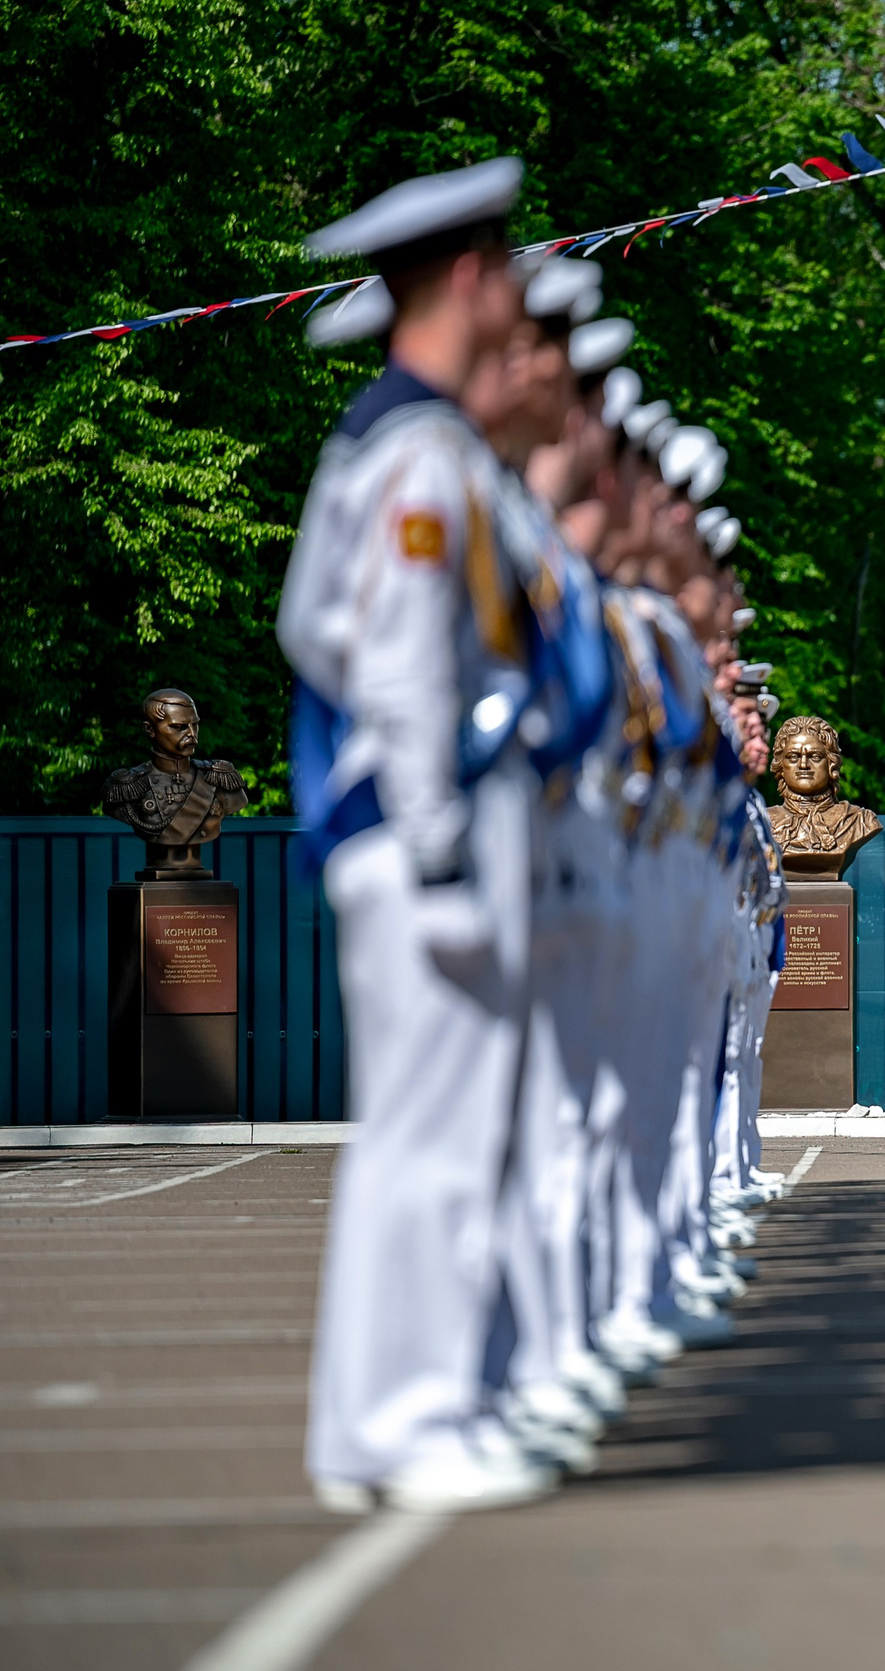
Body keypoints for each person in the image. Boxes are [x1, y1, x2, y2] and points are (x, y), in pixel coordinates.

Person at [280, 159, 561, 1513]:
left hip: (424, 821)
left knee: (427, 1135)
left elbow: (332, 630)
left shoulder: (414, 441)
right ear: (465, 279)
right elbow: (390, 654)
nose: (515, 294)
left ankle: (372, 1420)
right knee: (433, 1141)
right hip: (424, 831)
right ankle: (411, 1414)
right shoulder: (418, 449)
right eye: (504, 268)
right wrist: (441, 839)